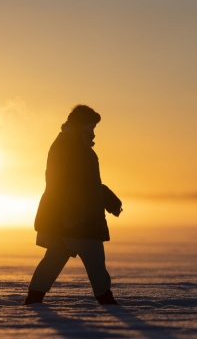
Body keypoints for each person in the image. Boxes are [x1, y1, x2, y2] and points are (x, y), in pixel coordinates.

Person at [23, 105, 123, 306]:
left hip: (73, 218)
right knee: (94, 258)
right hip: (77, 219)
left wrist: (107, 198)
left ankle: (33, 300)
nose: (93, 132)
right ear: (79, 126)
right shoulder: (68, 147)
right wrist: (71, 213)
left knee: (54, 259)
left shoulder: (77, 145)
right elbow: (62, 183)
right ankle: (106, 301)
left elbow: (86, 182)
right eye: (90, 126)